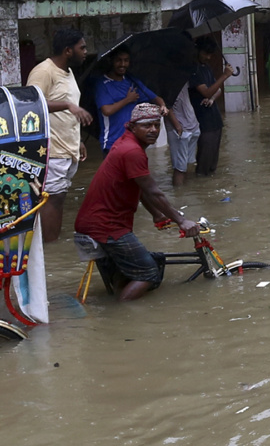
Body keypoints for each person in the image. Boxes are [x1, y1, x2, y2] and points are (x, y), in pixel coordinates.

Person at [74, 104, 200, 302]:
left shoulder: (126, 143)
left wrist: (156, 214)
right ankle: (122, 315)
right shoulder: (132, 151)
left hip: (97, 223)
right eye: (147, 125)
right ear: (132, 127)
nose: (153, 130)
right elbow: (154, 192)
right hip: (107, 226)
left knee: (128, 273)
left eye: (157, 125)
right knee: (148, 273)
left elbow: (138, 186)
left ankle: (118, 300)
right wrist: (181, 220)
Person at [26, 28, 93, 243]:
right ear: (67, 50)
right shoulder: (43, 71)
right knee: (52, 200)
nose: (85, 51)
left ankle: (49, 246)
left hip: (67, 148)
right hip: (51, 150)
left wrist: (79, 140)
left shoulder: (69, 72)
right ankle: (49, 248)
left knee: (59, 198)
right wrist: (67, 105)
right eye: (82, 47)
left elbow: (68, 113)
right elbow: (30, 105)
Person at [94, 46, 167, 157]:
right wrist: (128, 100)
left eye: (126, 61)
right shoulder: (102, 84)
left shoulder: (132, 81)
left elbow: (155, 98)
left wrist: (162, 106)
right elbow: (107, 110)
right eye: (119, 60)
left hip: (133, 140)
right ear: (111, 61)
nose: (122, 64)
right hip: (112, 141)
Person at [188, 37, 234, 177]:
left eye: (210, 54)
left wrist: (212, 99)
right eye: (205, 53)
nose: (208, 57)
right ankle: (201, 182)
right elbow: (206, 91)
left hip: (214, 118)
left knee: (213, 159)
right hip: (202, 119)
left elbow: (216, 91)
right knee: (204, 157)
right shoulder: (193, 70)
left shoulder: (206, 67)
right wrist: (225, 76)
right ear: (197, 51)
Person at [166, 80, 200, 186]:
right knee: (179, 168)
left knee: (188, 165)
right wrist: (177, 126)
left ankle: (185, 194)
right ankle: (179, 196)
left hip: (192, 126)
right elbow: (166, 105)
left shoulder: (184, 79)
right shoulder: (166, 81)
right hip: (179, 129)